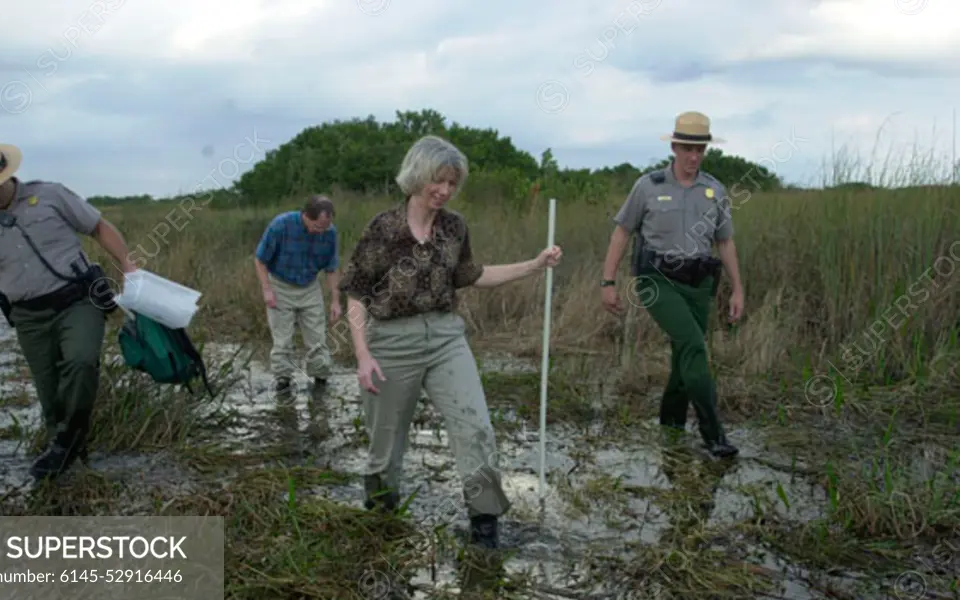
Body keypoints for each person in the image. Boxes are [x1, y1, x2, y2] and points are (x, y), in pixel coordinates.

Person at [339, 135, 563, 549]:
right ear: (417, 176)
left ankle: (484, 528)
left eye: (452, 184)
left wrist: (534, 265)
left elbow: (473, 276)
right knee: (384, 446)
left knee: (476, 427)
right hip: (390, 342)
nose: (443, 191)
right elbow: (355, 291)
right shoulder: (383, 229)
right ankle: (380, 525)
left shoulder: (455, 228)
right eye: (437, 181)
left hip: (445, 338)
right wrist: (363, 355)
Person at [0, 136, 138, 480]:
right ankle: (66, 457)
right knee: (50, 395)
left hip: (77, 302)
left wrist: (127, 264)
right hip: (28, 318)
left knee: (81, 362)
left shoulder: (51, 195)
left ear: (7, 173)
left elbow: (97, 226)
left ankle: (66, 441)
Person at [600, 111, 745, 458]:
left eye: (700, 149)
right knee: (694, 345)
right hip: (656, 281)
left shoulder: (714, 190)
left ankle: (671, 427)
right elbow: (622, 231)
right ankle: (714, 435)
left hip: (698, 285)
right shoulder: (648, 187)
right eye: (687, 149)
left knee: (684, 357)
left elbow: (724, 242)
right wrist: (608, 281)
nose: (693, 157)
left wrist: (738, 289)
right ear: (674, 148)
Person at [253, 195, 341, 394]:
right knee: (283, 339)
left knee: (317, 338)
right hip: (280, 285)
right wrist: (267, 289)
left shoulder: (330, 233)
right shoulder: (280, 226)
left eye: (325, 227)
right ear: (305, 216)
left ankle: (320, 380)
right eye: (317, 226)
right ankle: (283, 382)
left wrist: (335, 301)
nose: (321, 231)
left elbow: (332, 268)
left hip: (310, 286)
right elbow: (260, 260)